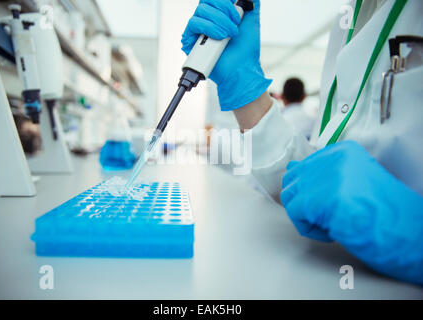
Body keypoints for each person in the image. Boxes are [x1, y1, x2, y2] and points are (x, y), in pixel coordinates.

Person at [181, 0, 423, 285]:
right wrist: (243, 87)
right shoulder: (348, 19)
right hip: (327, 273)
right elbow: (312, 182)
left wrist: (409, 230)